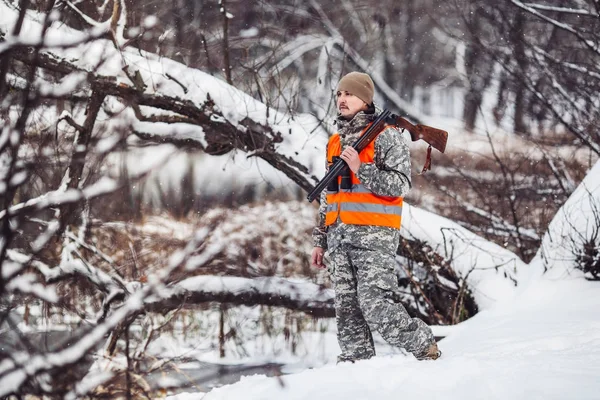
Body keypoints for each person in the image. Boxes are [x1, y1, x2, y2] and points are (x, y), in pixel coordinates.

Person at [311, 71, 440, 362]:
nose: (342, 100)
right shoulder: (335, 141)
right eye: (339, 94)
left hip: (374, 236)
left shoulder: (387, 137)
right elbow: (329, 196)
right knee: (346, 309)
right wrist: (320, 239)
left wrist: (361, 169)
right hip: (340, 237)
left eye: (349, 94)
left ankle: (424, 347)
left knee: (375, 305)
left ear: (365, 99)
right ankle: (356, 365)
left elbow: (401, 185)